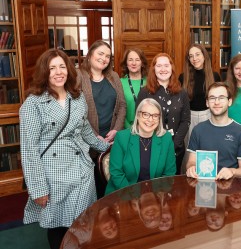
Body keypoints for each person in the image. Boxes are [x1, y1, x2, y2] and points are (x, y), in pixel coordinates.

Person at [19, 49, 110, 249]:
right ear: (44, 72)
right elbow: (29, 150)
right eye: (52, 68)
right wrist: (38, 188)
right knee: (58, 226)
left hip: (82, 171)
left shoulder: (77, 98)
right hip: (54, 175)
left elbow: (85, 130)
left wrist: (106, 146)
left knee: (84, 223)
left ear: (68, 70)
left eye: (62, 66)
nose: (58, 72)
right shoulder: (33, 104)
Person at [77, 40, 126, 198]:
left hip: (111, 139)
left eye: (107, 56)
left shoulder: (113, 76)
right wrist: (93, 137)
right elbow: (77, 112)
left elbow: (122, 105)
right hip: (87, 142)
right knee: (92, 188)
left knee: (111, 183)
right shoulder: (78, 76)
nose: (104, 58)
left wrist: (116, 130)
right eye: (100, 54)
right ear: (90, 54)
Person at [105, 98, 176, 195]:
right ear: (138, 115)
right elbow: (116, 173)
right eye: (146, 114)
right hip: (123, 194)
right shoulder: (122, 137)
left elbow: (169, 174)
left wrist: (153, 197)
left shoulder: (166, 139)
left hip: (155, 195)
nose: (150, 120)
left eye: (155, 116)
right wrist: (134, 197)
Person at [137, 53, 190, 174]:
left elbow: (185, 121)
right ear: (153, 69)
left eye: (166, 65)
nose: (163, 69)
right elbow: (139, 119)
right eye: (159, 66)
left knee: (171, 185)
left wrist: (173, 145)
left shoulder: (182, 93)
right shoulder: (144, 92)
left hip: (175, 149)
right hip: (150, 147)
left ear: (172, 68)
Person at [186, 82, 241, 180]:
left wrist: (232, 171)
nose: (216, 102)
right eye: (212, 98)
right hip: (204, 188)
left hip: (231, 189)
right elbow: (191, 161)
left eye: (221, 98)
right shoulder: (198, 130)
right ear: (207, 103)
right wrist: (191, 168)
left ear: (229, 101)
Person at [179, 44, 221, 146]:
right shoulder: (183, 77)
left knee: (209, 146)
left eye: (197, 54)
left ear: (204, 56)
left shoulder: (214, 76)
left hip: (209, 115)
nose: (194, 58)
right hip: (189, 117)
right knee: (190, 150)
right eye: (191, 56)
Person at [120, 48, 148, 128]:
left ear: (142, 63)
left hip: (147, 128)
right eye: (130, 60)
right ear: (126, 63)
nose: (134, 63)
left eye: (137, 60)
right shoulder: (119, 82)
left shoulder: (150, 82)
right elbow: (118, 109)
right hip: (126, 128)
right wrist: (129, 127)